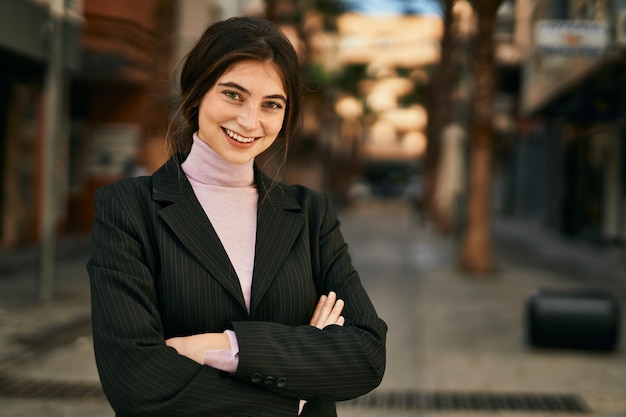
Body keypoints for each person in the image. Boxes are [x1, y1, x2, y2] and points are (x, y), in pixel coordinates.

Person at [87, 15, 387, 417]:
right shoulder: (128, 209)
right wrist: (294, 394)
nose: (249, 121)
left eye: (271, 105)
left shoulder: (310, 214)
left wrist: (227, 348)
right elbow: (135, 380)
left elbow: (366, 354)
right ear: (197, 94)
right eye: (233, 94)